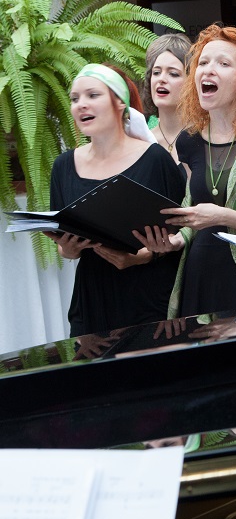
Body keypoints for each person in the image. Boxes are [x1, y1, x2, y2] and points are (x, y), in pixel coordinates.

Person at [137, 25, 236, 318]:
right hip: (198, 279)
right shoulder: (190, 139)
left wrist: (221, 216)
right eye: (203, 62)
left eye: (223, 64)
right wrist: (175, 240)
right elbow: (191, 211)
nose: (208, 70)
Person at [48, 63, 184, 336]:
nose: (81, 105)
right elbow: (63, 245)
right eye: (75, 99)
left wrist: (141, 257)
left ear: (119, 103)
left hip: (152, 305)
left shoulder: (155, 160)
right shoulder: (64, 166)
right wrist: (69, 250)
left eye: (92, 95)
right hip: (92, 307)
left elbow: (185, 233)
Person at [142, 33, 192, 164]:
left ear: (191, 81)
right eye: (156, 72)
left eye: (173, 74)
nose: (161, 79)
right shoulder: (141, 139)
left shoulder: (207, 136)